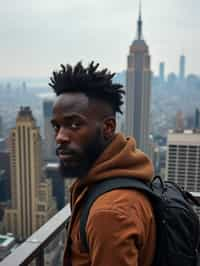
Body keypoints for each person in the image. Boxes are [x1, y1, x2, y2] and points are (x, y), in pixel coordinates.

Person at [49, 61, 156, 266]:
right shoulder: (121, 174)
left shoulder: (109, 213)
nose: (60, 137)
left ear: (108, 127)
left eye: (74, 124)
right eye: (57, 126)